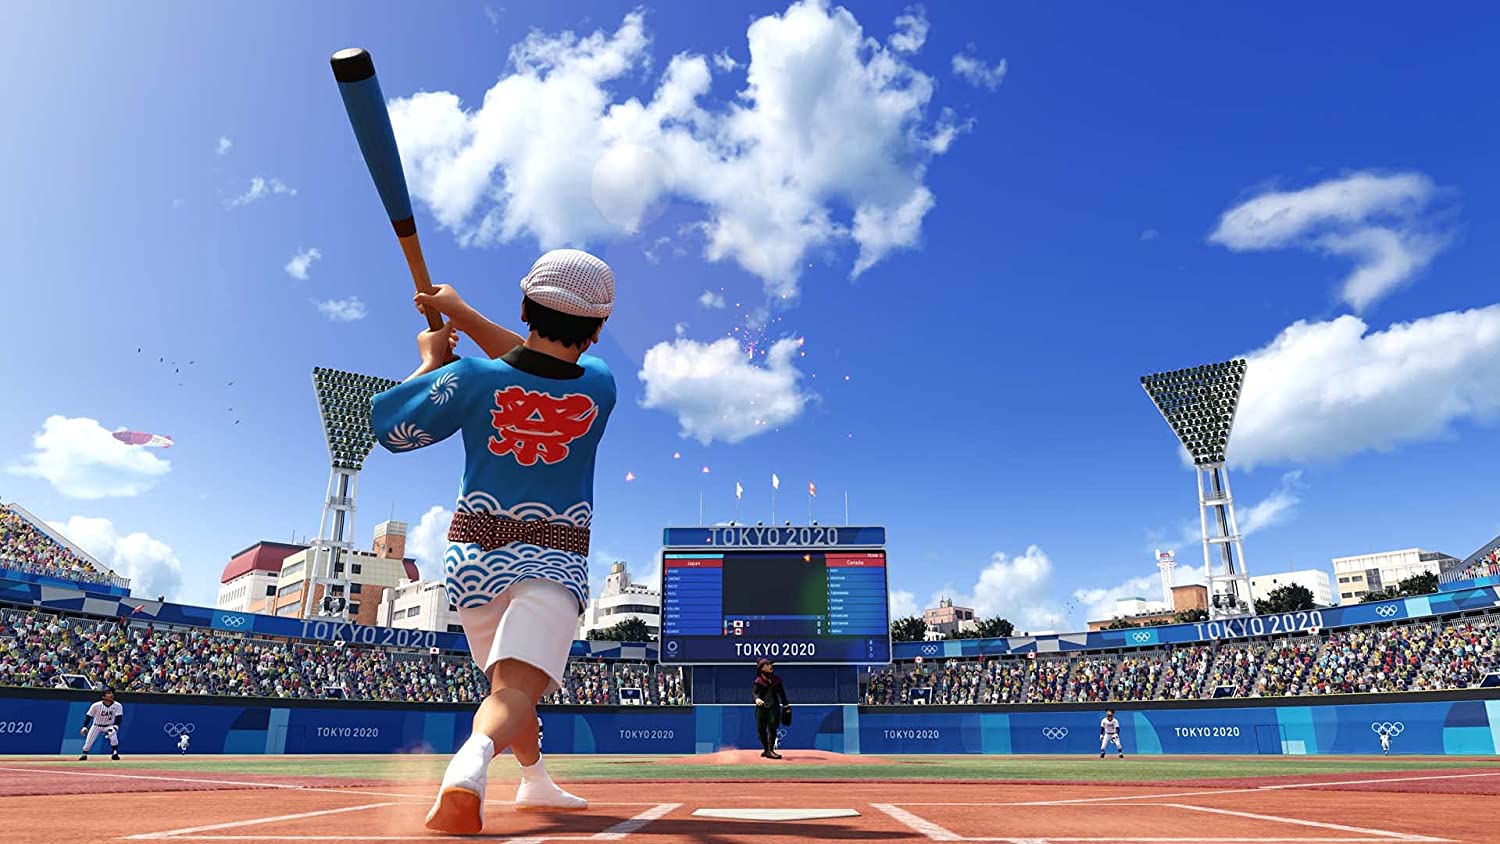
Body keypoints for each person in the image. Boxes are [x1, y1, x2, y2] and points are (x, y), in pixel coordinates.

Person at [372, 250, 617, 835]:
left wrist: (431, 363)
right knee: (515, 687)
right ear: (598, 327)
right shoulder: (601, 383)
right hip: (554, 555)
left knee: (512, 685)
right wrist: (463, 315)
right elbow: (539, 362)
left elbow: (390, 430)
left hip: (472, 561)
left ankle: (535, 778)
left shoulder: (473, 379)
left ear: (525, 307)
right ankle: (468, 768)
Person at [753, 658, 791, 759]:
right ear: (761, 668)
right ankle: (766, 750)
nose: (770, 666)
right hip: (761, 708)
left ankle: (770, 750)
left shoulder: (776, 680)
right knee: (761, 730)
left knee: (772, 728)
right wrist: (756, 699)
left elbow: (782, 694)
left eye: (770, 664)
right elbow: (755, 692)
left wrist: (786, 706)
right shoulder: (758, 681)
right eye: (767, 665)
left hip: (774, 708)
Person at [78, 688, 123, 761]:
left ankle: (115, 753)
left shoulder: (118, 705)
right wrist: (85, 726)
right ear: (103, 696)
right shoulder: (96, 705)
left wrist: (115, 727)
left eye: (112, 693)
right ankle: (84, 754)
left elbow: (119, 717)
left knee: (114, 738)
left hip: (109, 725)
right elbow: (89, 716)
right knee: (88, 742)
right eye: (108, 693)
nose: (111, 695)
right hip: (97, 725)